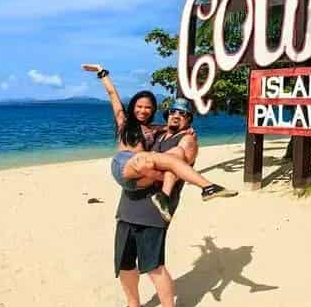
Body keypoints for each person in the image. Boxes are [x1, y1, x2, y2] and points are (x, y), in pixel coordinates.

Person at [85, 65, 236, 307]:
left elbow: (180, 163)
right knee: (125, 264)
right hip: (128, 205)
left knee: (154, 267)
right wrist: (104, 74)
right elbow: (117, 102)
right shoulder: (154, 133)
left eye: (182, 114)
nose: (176, 117)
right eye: (172, 113)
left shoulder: (186, 139)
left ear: (189, 119)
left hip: (155, 211)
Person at [82, 63, 235, 216]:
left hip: (139, 181)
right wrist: (102, 72)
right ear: (133, 107)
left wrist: (187, 129)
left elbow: (171, 126)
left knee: (177, 153)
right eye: (139, 106)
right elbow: (112, 94)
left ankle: (164, 198)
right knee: (155, 160)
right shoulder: (124, 121)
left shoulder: (155, 129)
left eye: (147, 107)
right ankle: (208, 187)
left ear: (153, 110)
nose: (143, 110)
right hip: (124, 165)